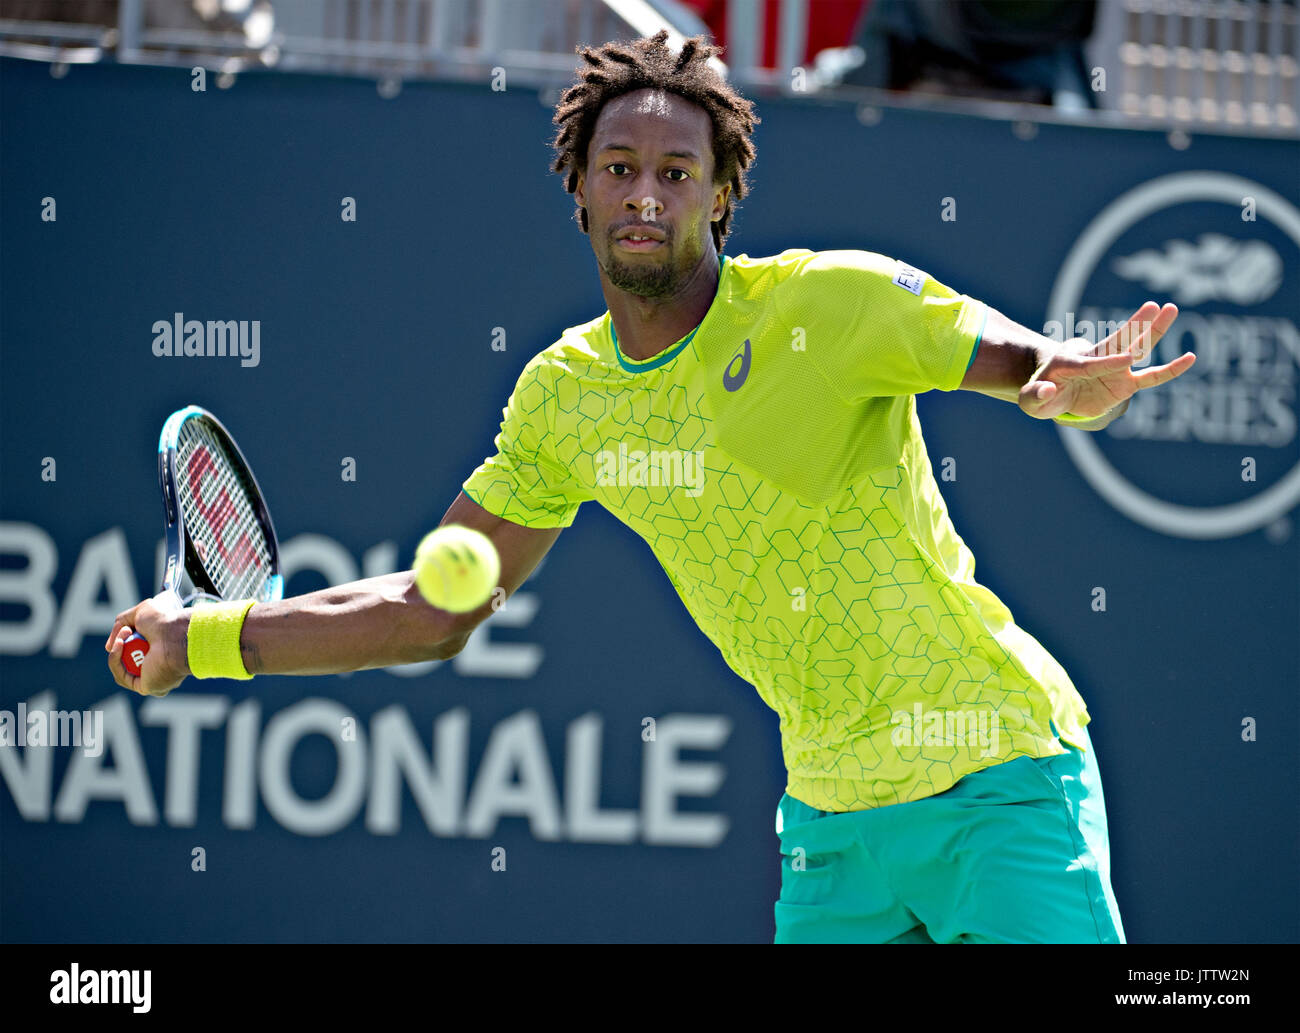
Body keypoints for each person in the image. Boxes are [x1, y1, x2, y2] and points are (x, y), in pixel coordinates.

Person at [107, 31, 1195, 943]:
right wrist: (207, 639)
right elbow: (434, 613)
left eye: (677, 174)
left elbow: (1027, 365)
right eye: (618, 165)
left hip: (996, 779)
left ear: (721, 197)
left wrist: (1069, 381)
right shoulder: (565, 397)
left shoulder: (835, 304)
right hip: (830, 824)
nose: (644, 193)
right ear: (576, 192)